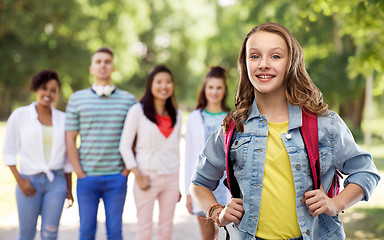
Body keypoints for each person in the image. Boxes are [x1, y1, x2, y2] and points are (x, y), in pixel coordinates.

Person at [189, 22, 380, 240]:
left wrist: (335, 203)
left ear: (291, 62)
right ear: (244, 64)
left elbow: (366, 171)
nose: (263, 64)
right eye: (254, 56)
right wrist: (217, 212)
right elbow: (199, 184)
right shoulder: (234, 128)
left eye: (275, 56)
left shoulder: (324, 124)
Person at [65, 47, 136, 240]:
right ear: (91, 68)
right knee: (86, 231)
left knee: (115, 231)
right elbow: (70, 139)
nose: (103, 65)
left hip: (116, 177)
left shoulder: (128, 100)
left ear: (113, 67)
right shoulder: (77, 99)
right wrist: (79, 173)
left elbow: (135, 139)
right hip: (87, 178)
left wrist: (125, 172)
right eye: (98, 62)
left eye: (107, 61)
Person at [3, 70, 73, 240]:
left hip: (56, 183)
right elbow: (9, 151)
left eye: (53, 90)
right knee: (26, 235)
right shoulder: (20, 116)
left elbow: (67, 158)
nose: (48, 93)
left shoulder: (64, 119)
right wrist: (20, 181)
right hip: (29, 182)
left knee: (50, 234)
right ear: (36, 89)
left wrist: (69, 189)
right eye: (44, 88)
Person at [119, 65, 182, 240]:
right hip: (146, 176)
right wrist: (138, 175)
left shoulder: (176, 114)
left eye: (168, 82)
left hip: (171, 178)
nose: (164, 86)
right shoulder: (137, 111)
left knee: (166, 229)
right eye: (159, 82)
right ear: (150, 85)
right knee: (144, 229)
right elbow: (124, 146)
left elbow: (175, 150)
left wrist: (177, 185)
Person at [184, 66, 231, 240]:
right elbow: (189, 156)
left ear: (224, 90)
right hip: (201, 184)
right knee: (207, 236)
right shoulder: (194, 118)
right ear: (204, 89)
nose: (214, 92)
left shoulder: (231, 118)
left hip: (225, 187)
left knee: (225, 235)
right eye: (210, 87)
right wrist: (188, 191)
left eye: (219, 87)